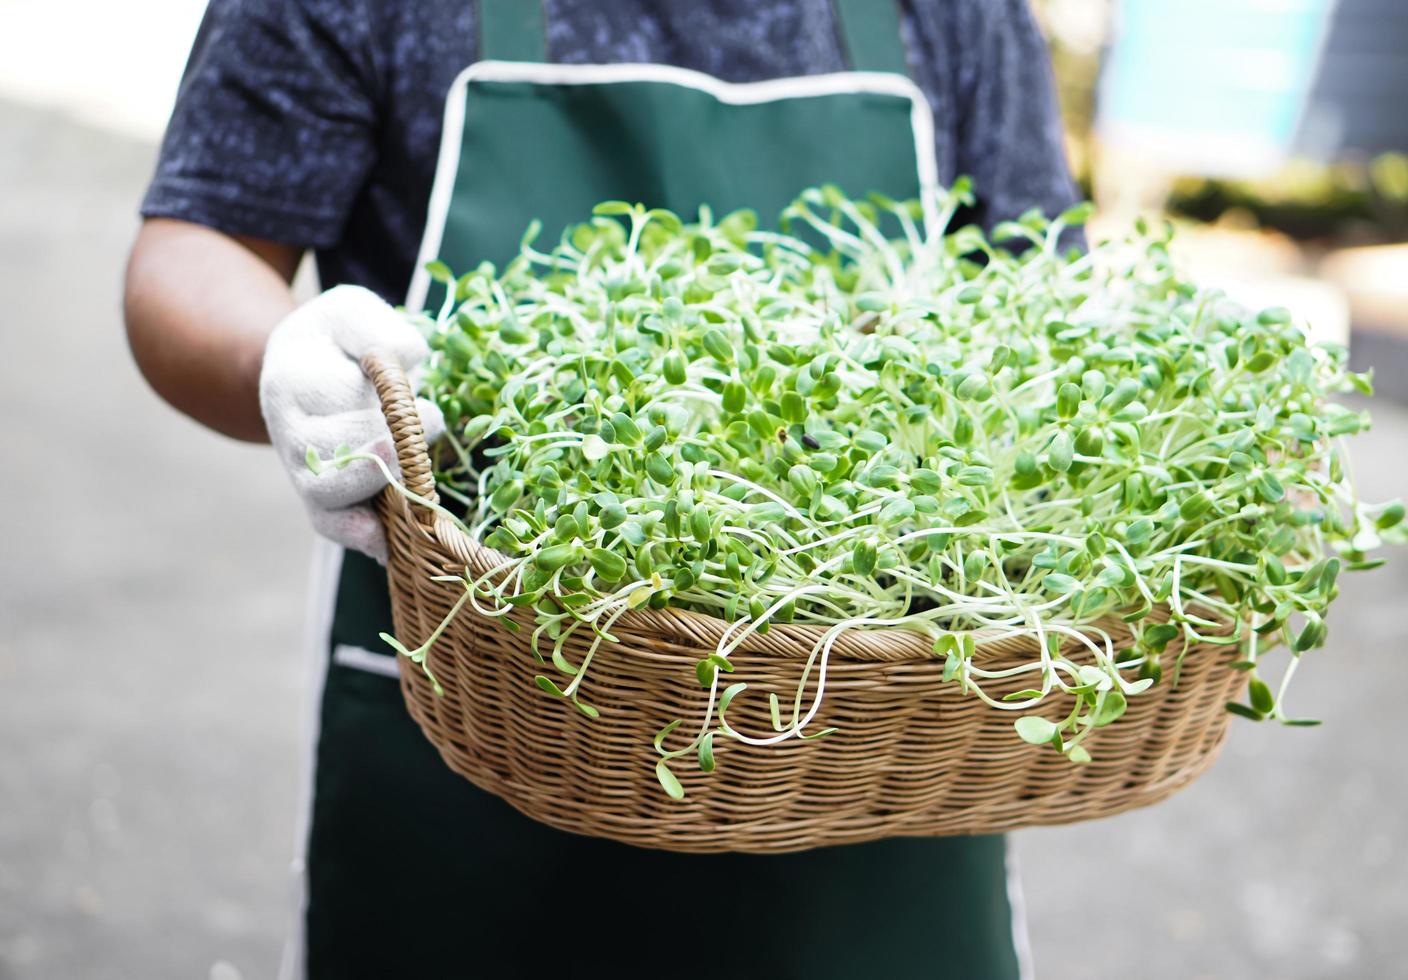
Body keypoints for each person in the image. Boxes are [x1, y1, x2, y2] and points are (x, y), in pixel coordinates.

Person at [125, 1, 1078, 976]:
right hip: (476, 722)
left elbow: (1043, 307)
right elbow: (200, 245)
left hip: (874, 764)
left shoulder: (965, 13)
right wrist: (280, 355)